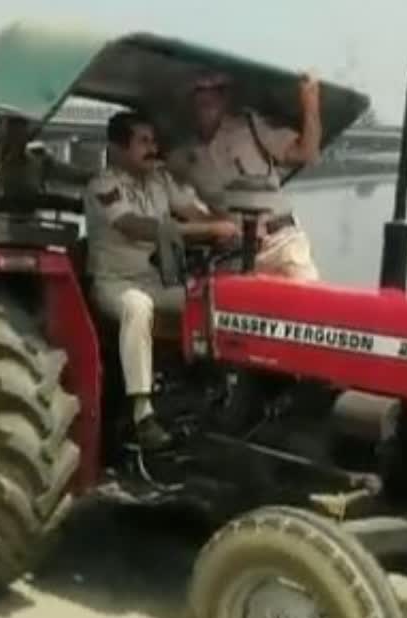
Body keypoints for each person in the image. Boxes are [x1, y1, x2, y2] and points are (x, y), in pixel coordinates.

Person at [85, 111, 239, 451]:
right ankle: (143, 414)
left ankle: (218, 389)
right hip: (115, 284)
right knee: (137, 307)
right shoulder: (103, 185)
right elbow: (133, 226)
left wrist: (227, 224)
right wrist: (207, 230)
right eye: (143, 141)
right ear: (118, 148)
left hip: (156, 282)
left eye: (154, 141)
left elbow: (194, 212)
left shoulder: (159, 181)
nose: (153, 149)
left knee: (210, 300)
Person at [166, 71, 324, 280]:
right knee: (213, 303)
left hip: (281, 242)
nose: (209, 97)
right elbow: (164, 193)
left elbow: (307, 153)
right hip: (233, 253)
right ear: (190, 99)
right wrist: (208, 224)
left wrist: (310, 103)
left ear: (227, 98)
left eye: (217, 91)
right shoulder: (182, 156)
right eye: (200, 90)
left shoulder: (251, 127)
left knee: (308, 300)